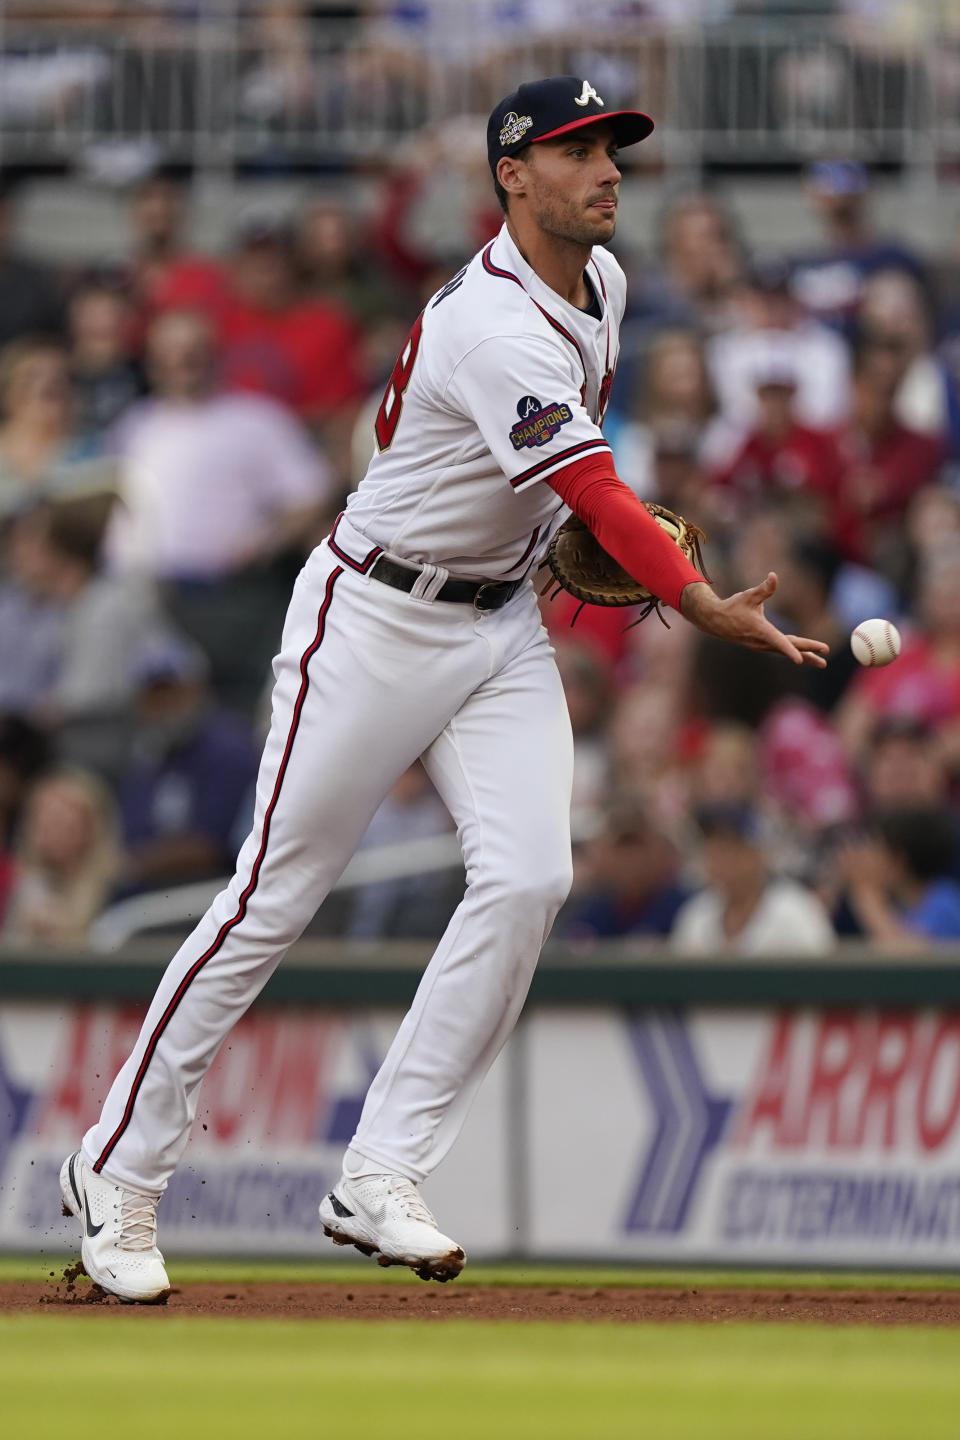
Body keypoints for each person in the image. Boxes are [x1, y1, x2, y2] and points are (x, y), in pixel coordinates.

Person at [60, 76, 828, 1304]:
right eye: (579, 152)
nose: (609, 171)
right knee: (271, 898)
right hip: (370, 618)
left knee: (532, 875)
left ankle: (382, 1170)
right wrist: (697, 601)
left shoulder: (607, 287)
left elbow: (567, 488)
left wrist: (576, 542)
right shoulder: (492, 323)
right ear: (512, 175)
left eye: (614, 149)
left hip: (499, 622)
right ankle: (117, 1168)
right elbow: (598, 496)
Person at [671, 803, 835, 956]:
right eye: (711, 849)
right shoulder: (696, 915)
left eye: (729, 848)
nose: (719, 861)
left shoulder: (796, 911)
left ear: (757, 854)